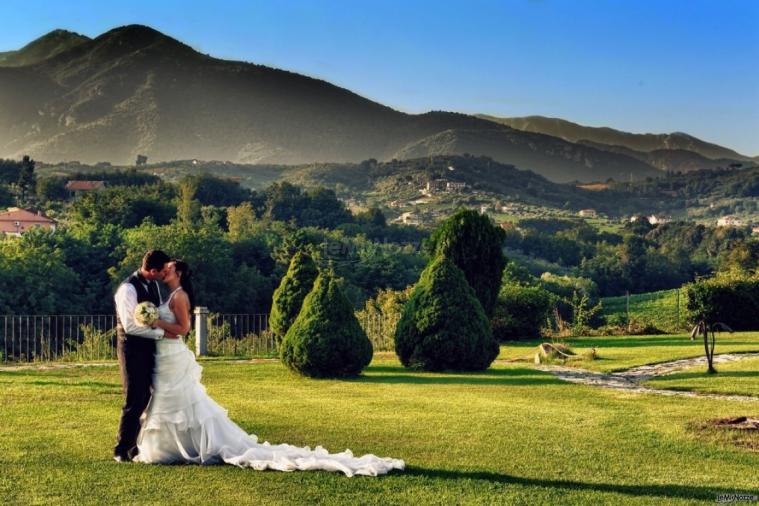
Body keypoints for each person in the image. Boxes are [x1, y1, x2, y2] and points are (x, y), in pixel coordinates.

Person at [134, 260, 404, 477]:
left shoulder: (179, 296)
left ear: (177, 273)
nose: (164, 270)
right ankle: (175, 447)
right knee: (169, 401)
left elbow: (183, 329)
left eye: (168, 268)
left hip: (173, 354)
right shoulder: (170, 294)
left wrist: (156, 323)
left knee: (180, 401)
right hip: (164, 356)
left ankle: (177, 448)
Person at [113, 249, 178, 462]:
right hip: (131, 349)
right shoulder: (127, 289)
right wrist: (161, 333)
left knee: (149, 396)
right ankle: (122, 448)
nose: (164, 275)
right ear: (152, 270)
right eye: (162, 271)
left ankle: (138, 445)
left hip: (149, 348)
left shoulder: (152, 286)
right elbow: (130, 326)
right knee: (135, 397)